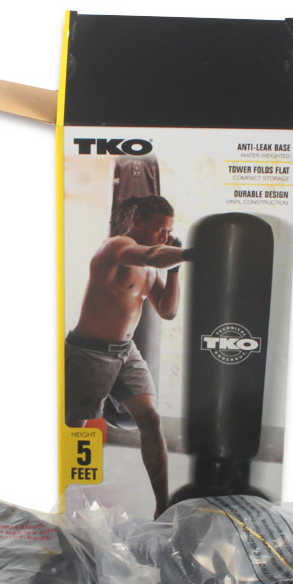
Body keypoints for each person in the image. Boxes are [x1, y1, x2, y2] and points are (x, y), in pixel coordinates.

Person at [65, 195, 188, 518]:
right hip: (89, 352)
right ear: (138, 222)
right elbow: (150, 254)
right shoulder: (117, 246)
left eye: (169, 230)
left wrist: (176, 270)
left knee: (151, 419)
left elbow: (168, 311)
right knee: (74, 429)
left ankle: (162, 506)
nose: (165, 236)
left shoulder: (150, 270)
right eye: (160, 229)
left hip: (126, 351)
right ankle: (63, 501)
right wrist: (191, 253)